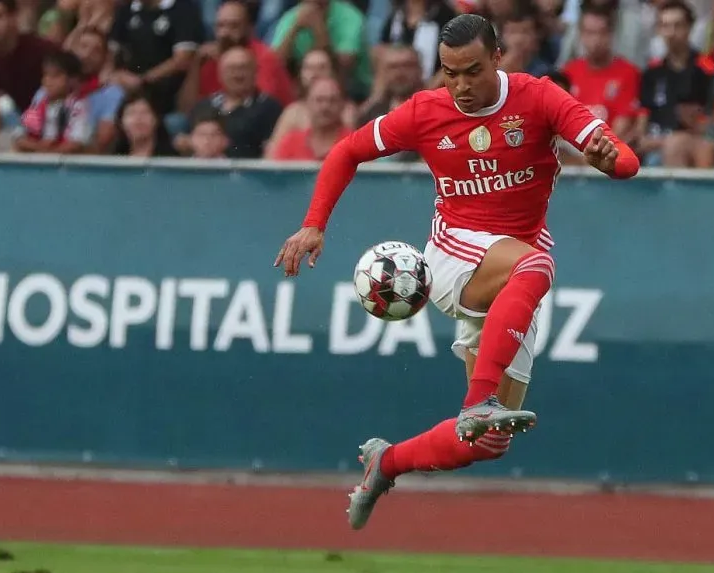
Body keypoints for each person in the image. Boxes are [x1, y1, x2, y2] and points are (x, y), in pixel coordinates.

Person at [273, 13, 639, 531]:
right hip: (453, 256)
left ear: (497, 58)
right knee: (536, 267)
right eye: (449, 73)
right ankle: (478, 402)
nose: (460, 85)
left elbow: (624, 160)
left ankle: (387, 462)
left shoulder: (538, 98)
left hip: (510, 272)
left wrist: (609, 161)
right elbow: (347, 150)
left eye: (471, 71)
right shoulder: (426, 111)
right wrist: (314, 224)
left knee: (487, 443)